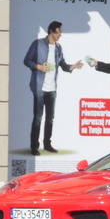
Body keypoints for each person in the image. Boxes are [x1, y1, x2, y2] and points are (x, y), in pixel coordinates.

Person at [23, 21, 83, 156]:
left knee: (50, 118)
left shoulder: (58, 48)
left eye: (60, 32)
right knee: (38, 118)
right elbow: (27, 60)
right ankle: (34, 146)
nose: (60, 34)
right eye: (58, 32)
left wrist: (73, 66)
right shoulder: (37, 44)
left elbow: (63, 64)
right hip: (39, 88)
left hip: (52, 89)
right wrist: (39, 67)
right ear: (51, 32)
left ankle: (47, 144)